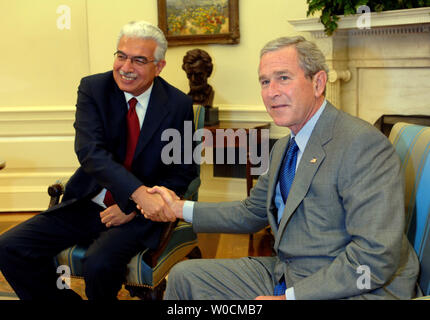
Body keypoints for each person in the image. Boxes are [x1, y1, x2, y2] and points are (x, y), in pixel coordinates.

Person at [143, 36, 421, 300]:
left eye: (283, 78)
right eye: (265, 81)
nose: (271, 92)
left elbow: (372, 259)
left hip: (354, 287)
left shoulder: (362, 145)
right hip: (290, 271)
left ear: (318, 82)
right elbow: (251, 212)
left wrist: (291, 297)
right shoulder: (284, 147)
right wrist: (177, 208)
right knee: (185, 277)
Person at [0, 20, 197, 300]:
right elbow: (91, 152)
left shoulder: (178, 105)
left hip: (139, 215)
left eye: (139, 60)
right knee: (9, 247)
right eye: (121, 56)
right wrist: (135, 195)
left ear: (159, 66)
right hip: (89, 201)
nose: (126, 67)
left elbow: (183, 170)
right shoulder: (93, 88)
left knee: (99, 263)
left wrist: (133, 206)